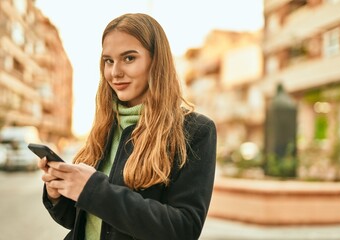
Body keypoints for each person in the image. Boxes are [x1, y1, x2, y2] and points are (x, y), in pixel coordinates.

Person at [38, 13, 217, 240]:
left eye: (129, 58)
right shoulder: (105, 125)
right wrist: (58, 193)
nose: (115, 72)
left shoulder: (195, 131)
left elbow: (183, 229)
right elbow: (82, 221)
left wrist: (93, 189)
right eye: (108, 61)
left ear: (156, 61)